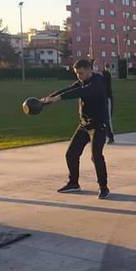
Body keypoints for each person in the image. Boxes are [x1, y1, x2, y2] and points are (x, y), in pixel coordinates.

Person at [42, 59, 110, 199]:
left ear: (90, 70)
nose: (79, 76)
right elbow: (70, 89)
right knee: (71, 154)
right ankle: (73, 183)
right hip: (84, 125)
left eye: (81, 73)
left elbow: (80, 92)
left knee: (96, 156)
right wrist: (48, 98)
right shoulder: (82, 81)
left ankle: (104, 188)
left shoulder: (98, 82)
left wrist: (59, 98)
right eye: (77, 74)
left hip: (98, 125)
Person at [102, 63, 115, 144]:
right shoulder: (104, 75)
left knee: (107, 118)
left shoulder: (106, 75)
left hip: (107, 98)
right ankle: (106, 135)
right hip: (102, 98)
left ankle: (110, 136)